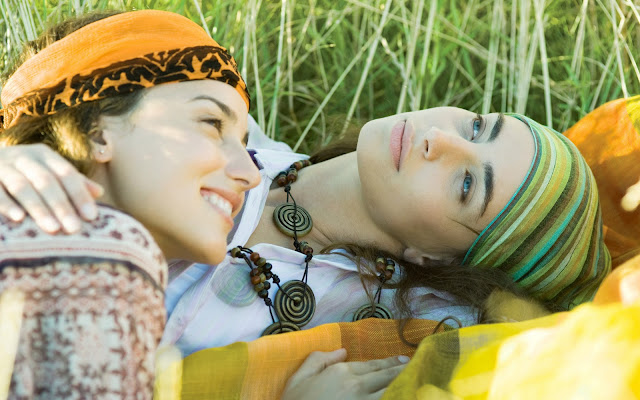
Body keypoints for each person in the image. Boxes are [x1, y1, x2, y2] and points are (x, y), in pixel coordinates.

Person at [0, 10, 418, 399]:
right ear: (96, 128)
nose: (253, 174)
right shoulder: (106, 249)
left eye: (245, 143)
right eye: (211, 123)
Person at [3, 104, 611, 355]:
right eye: (478, 126)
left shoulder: (371, 331)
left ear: (437, 258)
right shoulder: (219, 119)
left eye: (466, 186)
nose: (439, 138)